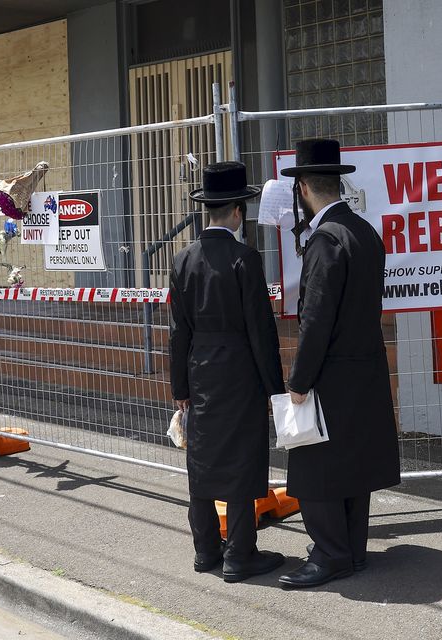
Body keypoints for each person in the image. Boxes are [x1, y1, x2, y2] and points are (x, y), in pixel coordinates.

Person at [276, 139, 400, 589]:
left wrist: (300, 379)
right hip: (365, 366)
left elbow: (317, 319)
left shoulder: (325, 240)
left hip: (332, 371)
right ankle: (352, 550)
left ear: (304, 187)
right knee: (354, 463)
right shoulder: (364, 230)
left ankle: (330, 554)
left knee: (317, 467)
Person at [169, 161, 286, 583]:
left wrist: (179, 387)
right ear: (238, 211)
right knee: (241, 458)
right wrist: (276, 389)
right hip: (240, 371)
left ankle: (205, 550)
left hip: (199, 371)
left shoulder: (182, 261)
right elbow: (261, 330)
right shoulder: (245, 259)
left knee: (200, 458)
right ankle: (240, 553)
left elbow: (177, 332)